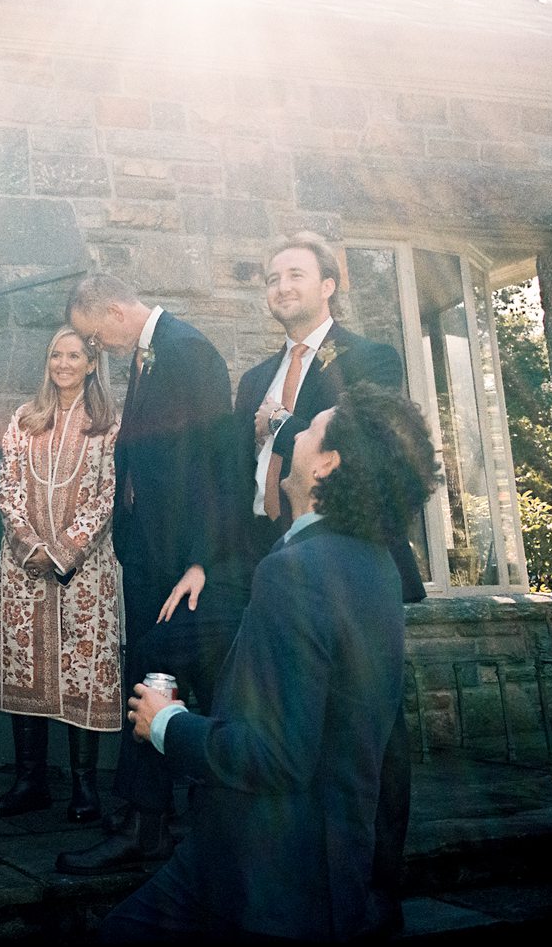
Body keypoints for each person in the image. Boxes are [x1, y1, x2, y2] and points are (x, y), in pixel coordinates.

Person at [110, 384, 440, 942]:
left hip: (262, 872)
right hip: (327, 871)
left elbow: (276, 755)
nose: (295, 433)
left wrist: (166, 723)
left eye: (310, 428)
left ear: (327, 465)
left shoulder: (297, 572)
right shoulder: (373, 564)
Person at [233, 232, 426, 928]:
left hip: (349, 563)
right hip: (275, 563)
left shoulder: (370, 356)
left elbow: (367, 442)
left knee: (368, 738)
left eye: (294, 274)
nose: (281, 286)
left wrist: (281, 427)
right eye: (271, 277)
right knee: (288, 732)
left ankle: (376, 895)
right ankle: (302, 889)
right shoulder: (254, 377)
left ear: (328, 284)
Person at [58, 273, 241, 874]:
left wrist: (201, 559)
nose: (96, 346)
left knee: (167, 675)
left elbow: (220, 460)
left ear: (114, 309)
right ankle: (150, 817)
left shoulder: (188, 351)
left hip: (183, 558)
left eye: (94, 334)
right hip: (148, 553)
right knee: (151, 675)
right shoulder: (146, 356)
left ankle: (163, 821)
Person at [0, 326, 123, 824]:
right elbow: (8, 485)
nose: (63, 363)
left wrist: (64, 551)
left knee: (81, 665)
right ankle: (30, 782)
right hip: (23, 567)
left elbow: (107, 494)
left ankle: (84, 787)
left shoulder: (108, 423)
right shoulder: (25, 418)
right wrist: (31, 545)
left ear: (91, 363)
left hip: (83, 569)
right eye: (56, 355)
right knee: (27, 664)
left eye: (74, 356)